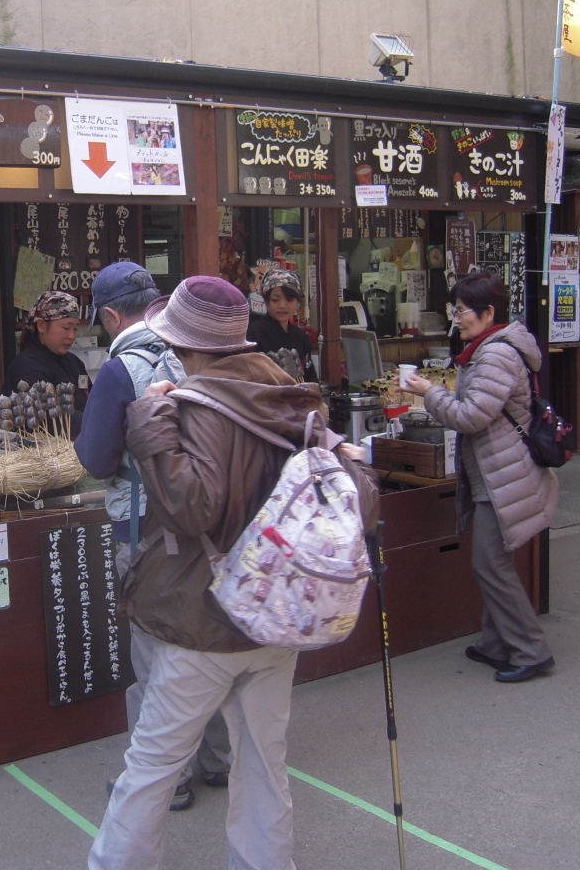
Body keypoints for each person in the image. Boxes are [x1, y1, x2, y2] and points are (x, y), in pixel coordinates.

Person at [88, 276, 345, 870]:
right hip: (275, 608)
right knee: (264, 764)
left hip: (206, 616)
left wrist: (150, 423)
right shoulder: (289, 393)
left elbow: (191, 509)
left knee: (152, 765)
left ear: (185, 344)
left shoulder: (199, 404)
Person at [74, 263, 231, 812]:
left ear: (109, 316)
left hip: (145, 527)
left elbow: (98, 459)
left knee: (155, 651)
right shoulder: (199, 353)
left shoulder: (121, 370)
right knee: (205, 639)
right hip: (207, 520)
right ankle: (218, 759)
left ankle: (166, 778)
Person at [403, 270, 557, 683]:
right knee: (493, 559)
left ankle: (531, 650)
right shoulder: (489, 348)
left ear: (488, 313)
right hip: (496, 469)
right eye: (454, 311)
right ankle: (496, 643)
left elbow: (471, 416)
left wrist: (430, 393)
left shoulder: (496, 354)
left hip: (502, 472)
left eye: (461, 311)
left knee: (489, 561)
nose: (457, 320)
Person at [2, 290, 89, 433]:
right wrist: (94, 422)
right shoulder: (27, 366)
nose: (72, 335)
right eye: (66, 328)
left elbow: (91, 398)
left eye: (75, 328)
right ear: (42, 326)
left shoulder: (74, 362)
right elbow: (48, 420)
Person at [246, 268, 318, 381]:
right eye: (275, 300)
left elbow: (310, 378)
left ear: (297, 302)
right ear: (266, 301)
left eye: (289, 300)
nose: (282, 306)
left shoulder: (301, 337)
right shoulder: (254, 333)